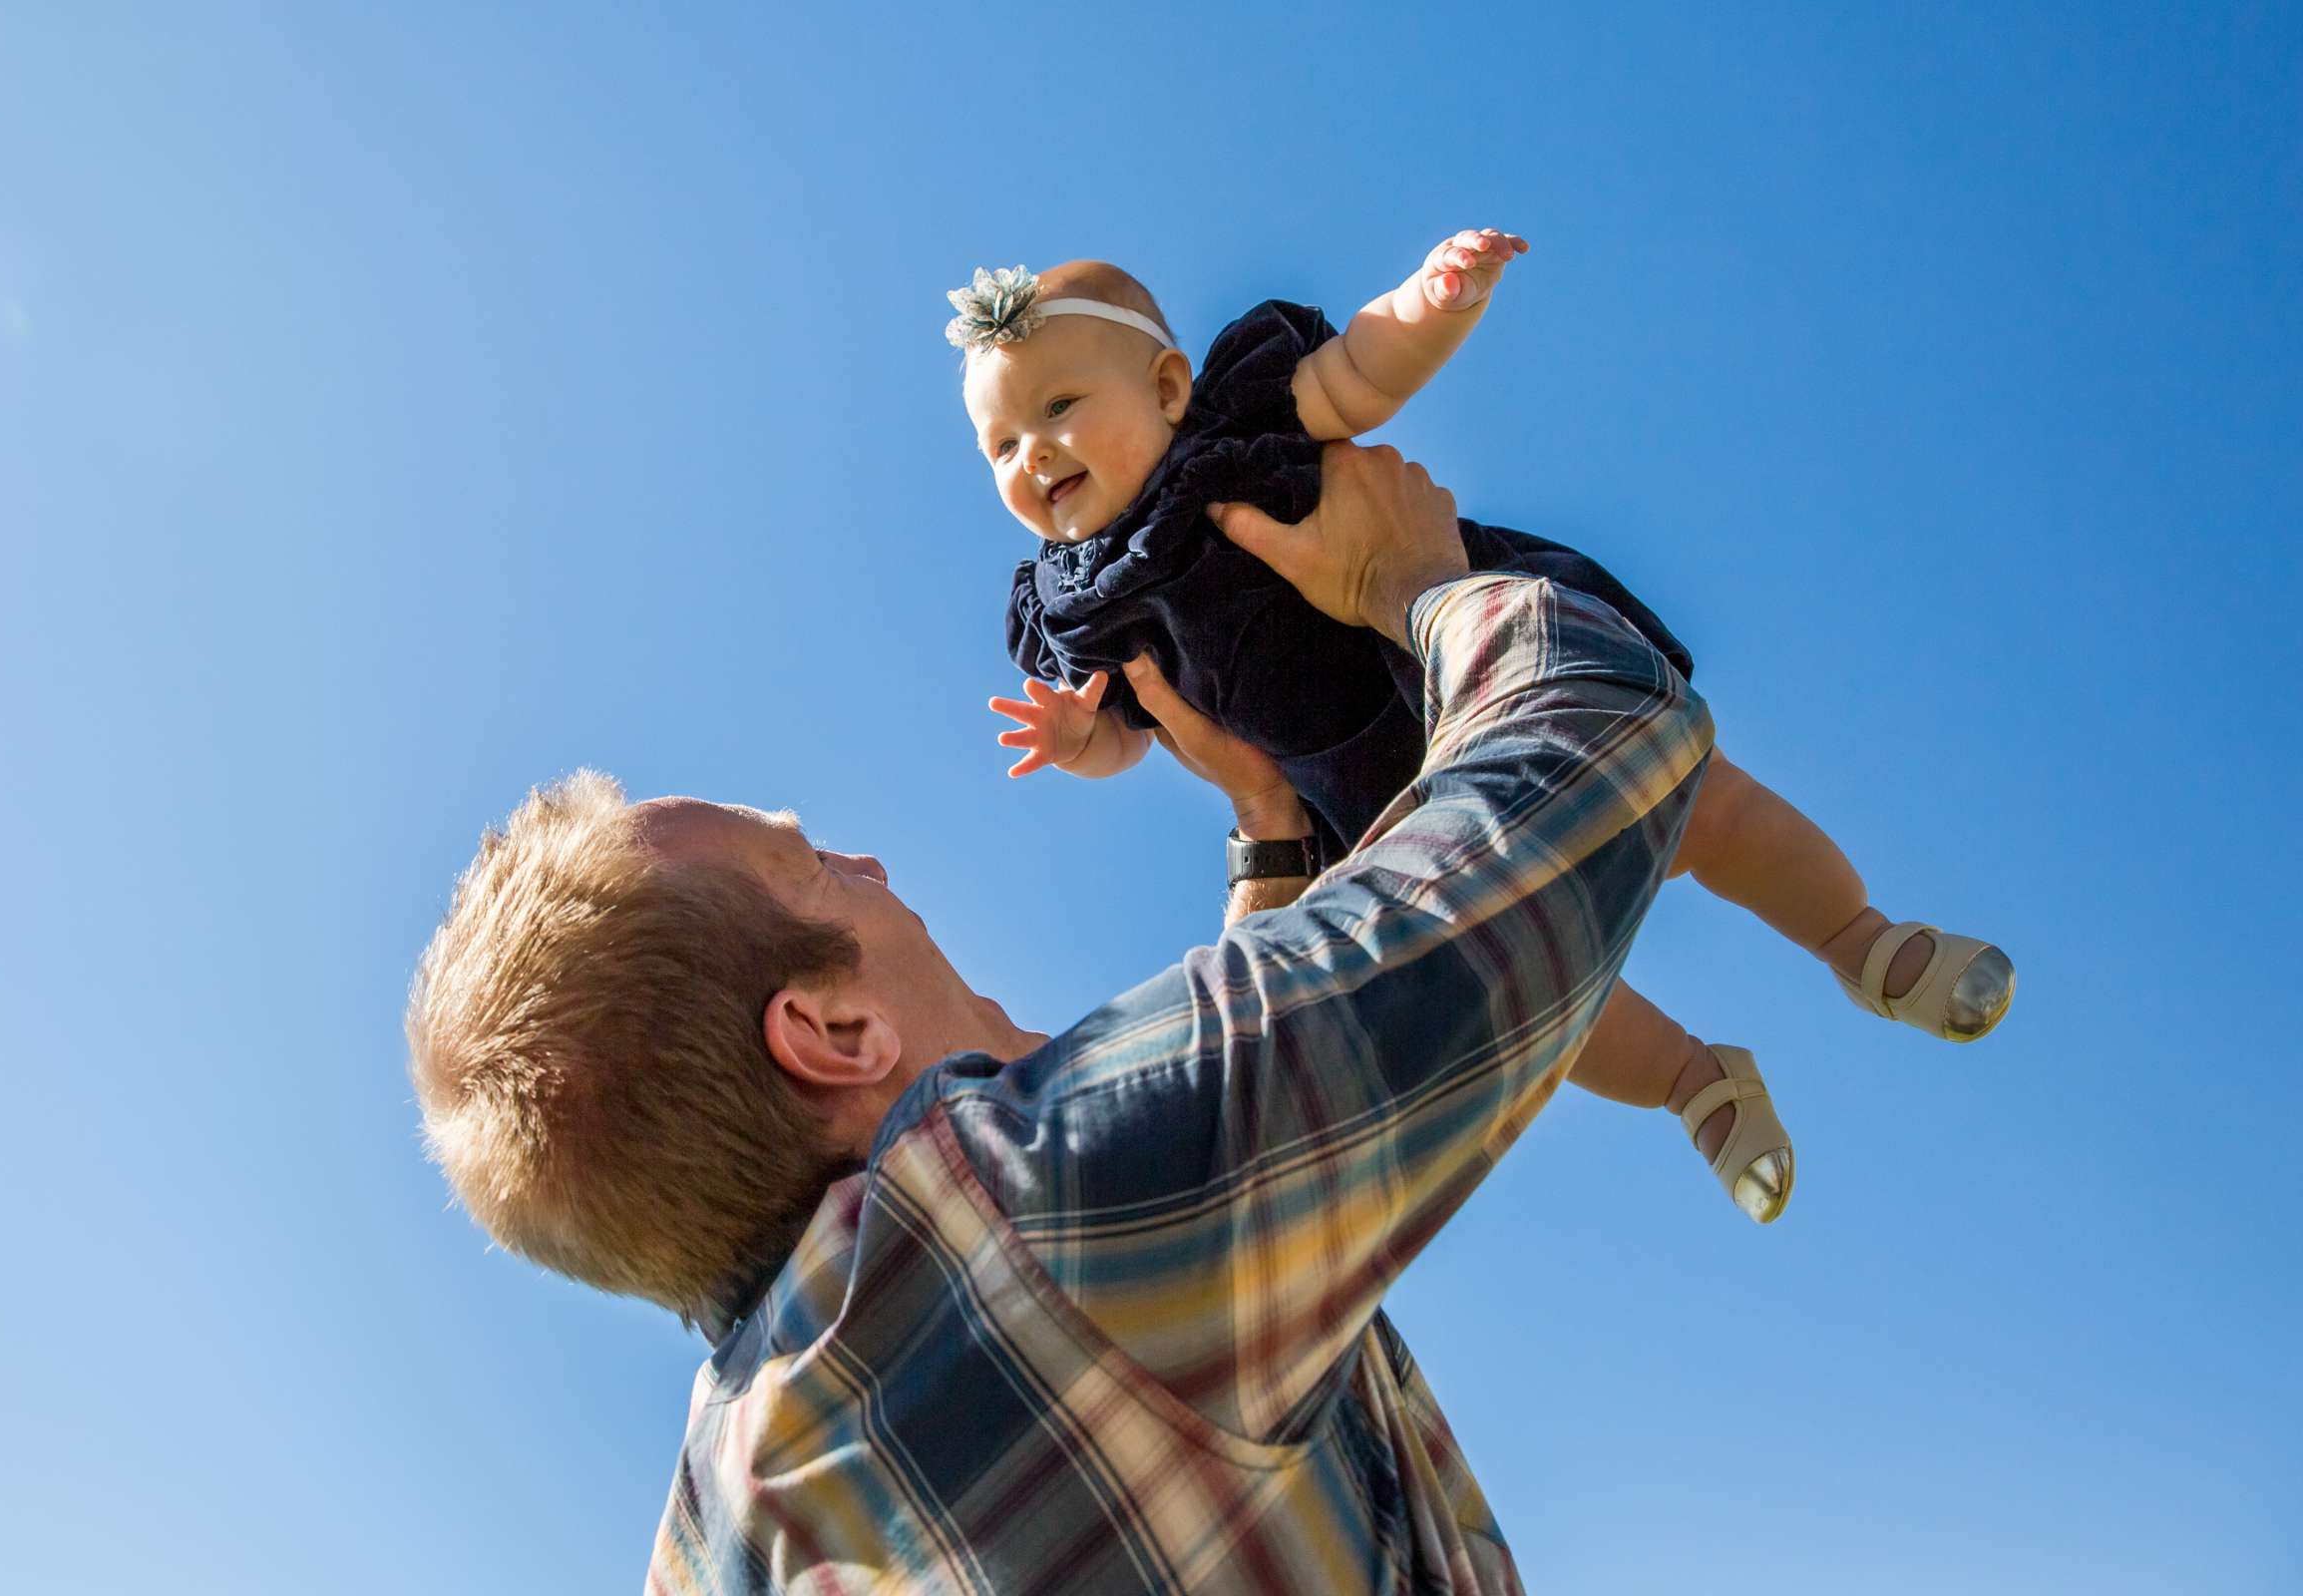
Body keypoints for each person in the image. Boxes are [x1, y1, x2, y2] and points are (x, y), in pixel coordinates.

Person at [410, 443, 1710, 1591]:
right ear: (834, 1036)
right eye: (816, 869)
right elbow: (1600, 733)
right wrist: (1413, 583)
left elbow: (1198, 1291)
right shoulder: (1026, 1214)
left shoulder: (718, 1530)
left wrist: (1270, 836)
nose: (873, 873)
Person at [952, 238, 2016, 1223]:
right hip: (1369, 794)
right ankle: (1699, 1084)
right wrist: (1076, 740)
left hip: (1455, 657)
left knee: (1698, 805)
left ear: (1169, 387)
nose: (1031, 456)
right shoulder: (1077, 604)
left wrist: (1432, 302)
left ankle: (1863, 941)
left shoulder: (1234, 425)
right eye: (1000, 444)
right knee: (1527, 971)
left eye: (1057, 408)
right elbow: (1137, 731)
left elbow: (1359, 372)